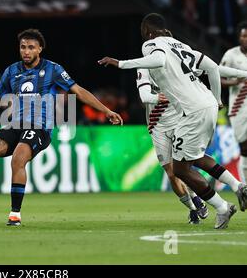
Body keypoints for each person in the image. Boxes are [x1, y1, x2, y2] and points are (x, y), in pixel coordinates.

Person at [0, 28, 123, 226]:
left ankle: (15, 214)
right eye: (23, 47)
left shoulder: (53, 69)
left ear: (40, 49)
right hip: (16, 125)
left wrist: (106, 110)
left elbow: (78, 91)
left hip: (40, 127)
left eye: (31, 47)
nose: (26, 51)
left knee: (18, 158)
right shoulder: (11, 71)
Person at [98, 13, 247, 229]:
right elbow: (214, 68)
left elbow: (158, 60)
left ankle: (222, 208)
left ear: (147, 32)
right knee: (193, 159)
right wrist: (220, 95)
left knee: (179, 170)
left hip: (190, 110)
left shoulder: (151, 45)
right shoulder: (180, 46)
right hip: (206, 105)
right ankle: (238, 186)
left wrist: (121, 63)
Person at [136, 68, 208, 224]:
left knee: (182, 169)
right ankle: (193, 207)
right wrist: (157, 97)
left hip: (179, 123)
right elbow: (144, 97)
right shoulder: (143, 68)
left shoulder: (174, 65)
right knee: (171, 173)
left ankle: (199, 202)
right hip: (157, 128)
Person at [220, 21, 247, 182]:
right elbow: (217, 76)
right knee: (244, 148)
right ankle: (244, 186)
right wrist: (234, 82)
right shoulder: (231, 55)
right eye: (244, 36)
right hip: (239, 108)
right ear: (239, 37)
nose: (246, 39)